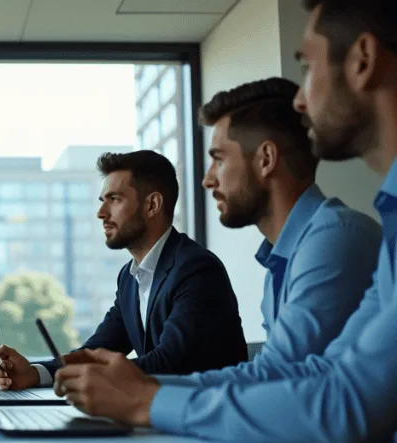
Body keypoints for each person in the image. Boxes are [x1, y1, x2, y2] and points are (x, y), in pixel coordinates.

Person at [54, 0, 397, 443]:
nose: (206, 179)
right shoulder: (298, 251)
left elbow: (338, 399)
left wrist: (146, 399)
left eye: (307, 66)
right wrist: (142, 392)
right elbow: (302, 375)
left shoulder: (336, 238)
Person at [152, 77, 379, 390]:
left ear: (266, 159)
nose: (208, 180)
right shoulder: (283, 258)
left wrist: (142, 392)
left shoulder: (333, 239)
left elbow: (278, 376)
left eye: (218, 159)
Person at [0, 150, 247, 390]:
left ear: (152, 205)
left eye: (114, 199)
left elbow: (170, 363)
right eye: (102, 200)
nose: (101, 212)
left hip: (208, 418)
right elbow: (98, 349)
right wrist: (35, 372)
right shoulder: (129, 278)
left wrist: (82, 376)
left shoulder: (196, 270)